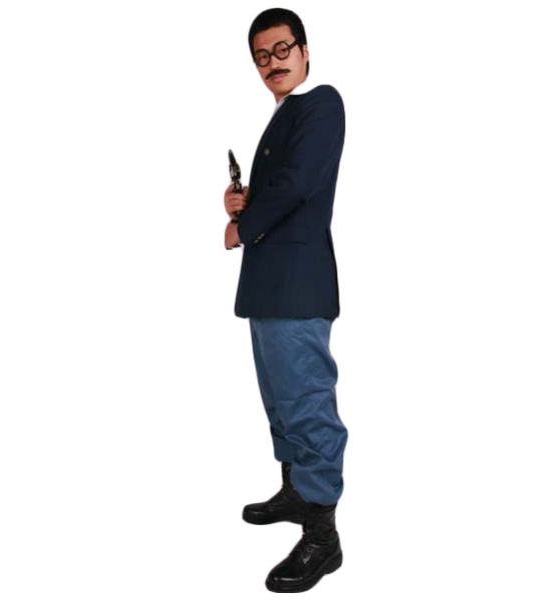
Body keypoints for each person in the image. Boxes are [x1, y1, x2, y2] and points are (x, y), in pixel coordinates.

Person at [223, 8, 348, 593]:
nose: (272, 62)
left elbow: (298, 184)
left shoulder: (321, 103)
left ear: (304, 50)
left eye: (282, 49)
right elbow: (284, 188)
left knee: (306, 403)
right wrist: (244, 201)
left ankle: (323, 537)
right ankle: (297, 491)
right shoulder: (283, 116)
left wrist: (241, 228)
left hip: (298, 283)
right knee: (280, 400)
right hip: (270, 284)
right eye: (261, 56)